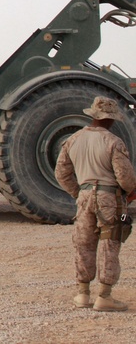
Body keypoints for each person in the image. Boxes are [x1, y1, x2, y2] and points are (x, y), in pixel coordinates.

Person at [55, 96, 136, 311]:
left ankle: (83, 294)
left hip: (84, 198)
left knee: (84, 243)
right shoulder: (113, 142)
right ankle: (105, 297)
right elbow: (125, 178)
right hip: (110, 200)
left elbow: (61, 173)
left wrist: (78, 192)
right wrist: (129, 192)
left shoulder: (73, 139)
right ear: (109, 119)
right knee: (111, 242)